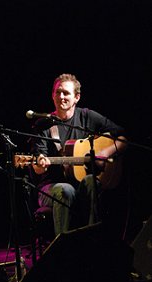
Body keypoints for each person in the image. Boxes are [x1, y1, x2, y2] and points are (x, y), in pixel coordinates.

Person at [30, 73, 127, 236]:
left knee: (92, 182)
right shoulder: (44, 124)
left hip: (80, 185)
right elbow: (37, 168)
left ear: (77, 97)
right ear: (52, 96)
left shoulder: (87, 116)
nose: (61, 96)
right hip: (51, 188)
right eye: (57, 92)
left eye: (66, 93)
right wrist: (40, 164)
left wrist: (105, 152)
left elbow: (123, 138)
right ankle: (64, 251)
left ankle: (92, 242)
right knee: (65, 190)